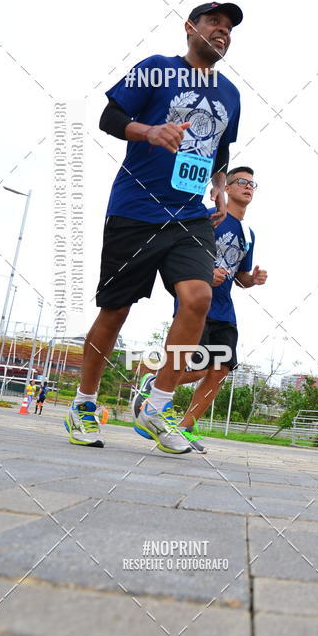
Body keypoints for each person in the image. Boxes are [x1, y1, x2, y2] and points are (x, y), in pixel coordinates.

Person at [64, 1, 243, 453]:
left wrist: (219, 186)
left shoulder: (231, 95)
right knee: (116, 310)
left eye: (228, 29)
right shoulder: (156, 70)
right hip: (136, 209)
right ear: (190, 28)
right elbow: (109, 118)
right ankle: (84, 403)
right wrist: (150, 132)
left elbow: (218, 152)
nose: (222, 33)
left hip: (190, 215)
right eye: (214, 24)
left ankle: (156, 406)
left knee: (198, 298)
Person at [133, 166, 267, 452]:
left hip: (224, 309)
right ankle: (155, 384)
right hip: (196, 302)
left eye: (253, 185)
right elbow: (182, 253)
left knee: (221, 369)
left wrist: (251, 280)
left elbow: (239, 276)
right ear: (226, 188)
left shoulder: (248, 233)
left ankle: (184, 427)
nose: (248, 187)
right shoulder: (209, 216)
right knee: (194, 365)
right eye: (242, 182)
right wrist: (207, 271)